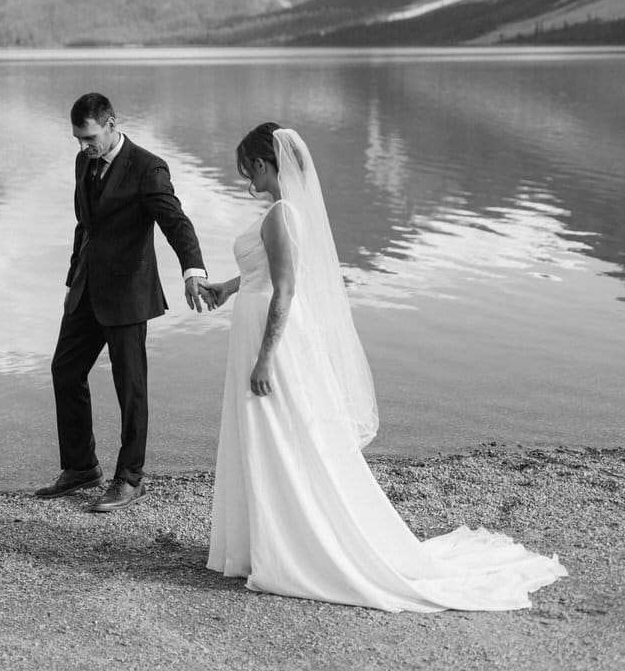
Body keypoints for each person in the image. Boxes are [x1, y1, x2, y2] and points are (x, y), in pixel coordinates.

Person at [202, 122, 567, 610]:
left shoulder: (280, 215)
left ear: (266, 164)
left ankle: (288, 542)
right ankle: (266, 538)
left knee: (280, 436)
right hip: (259, 327)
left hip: (271, 342)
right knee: (274, 437)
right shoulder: (289, 213)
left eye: (249, 170)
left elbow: (286, 290)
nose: (248, 180)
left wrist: (266, 357)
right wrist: (229, 288)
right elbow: (267, 273)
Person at [35, 93, 213, 513]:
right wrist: (72, 277)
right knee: (65, 369)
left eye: (90, 137)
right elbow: (85, 226)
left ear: (112, 124)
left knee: (129, 388)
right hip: (84, 290)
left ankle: (130, 478)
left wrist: (194, 271)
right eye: (78, 139)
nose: (83, 147)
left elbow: (176, 222)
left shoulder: (147, 167)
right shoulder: (84, 163)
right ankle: (81, 467)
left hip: (127, 295)